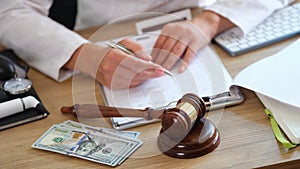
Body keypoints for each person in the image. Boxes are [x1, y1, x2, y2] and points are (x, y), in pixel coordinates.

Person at [0, 0, 293, 89]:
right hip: (107, 39)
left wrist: (210, 22)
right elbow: (11, 12)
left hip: (223, 26)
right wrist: (86, 56)